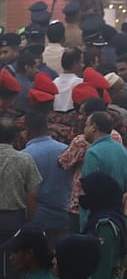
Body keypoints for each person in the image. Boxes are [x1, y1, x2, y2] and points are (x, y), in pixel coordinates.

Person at [0, 118, 40, 277]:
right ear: (15, 137)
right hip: (14, 218)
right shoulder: (24, 159)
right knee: (13, 261)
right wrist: (30, 221)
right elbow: (32, 194)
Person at [20, 112, 69, 242]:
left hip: (37, 219)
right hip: (64, 217)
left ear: (27, 130)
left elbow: (28, 193)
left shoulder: (24, 156)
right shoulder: (66, 150)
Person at [78, 172, 127, 279]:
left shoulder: (105, 225)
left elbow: (103, 266)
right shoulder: (97, 217)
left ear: (98, 194)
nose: (81, 195)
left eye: (86, 191)